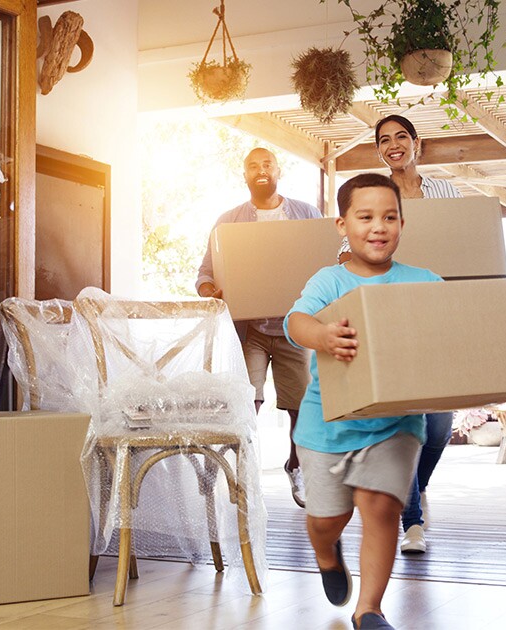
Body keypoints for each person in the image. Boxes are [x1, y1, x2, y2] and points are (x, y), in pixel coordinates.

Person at [285, 173, 442, 630]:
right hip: (327, 424)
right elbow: (297, 321)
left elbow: (450, 324)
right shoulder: (329, 280)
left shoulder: (423, 282)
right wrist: (323, 336)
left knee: (381, 506)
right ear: (342, 225)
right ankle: (326, 553)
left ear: (402, 224)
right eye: (366, 217)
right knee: (327, 519)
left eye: (389, 217)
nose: (379, 227)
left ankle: (368, 610)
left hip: (396, 422)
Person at [338, 114, 462, 554]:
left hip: (433, 313)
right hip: (390, 316)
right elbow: (347, 250)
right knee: (406, 423)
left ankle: (416, 485)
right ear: (379, 150)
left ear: (416, 143)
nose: (394, 145)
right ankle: (412, 523)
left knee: (440, 425)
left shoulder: (445, 192)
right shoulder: (375, 195)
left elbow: (463, 244)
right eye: (384, 140)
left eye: (401, 137)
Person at [196, 147, 320, 508]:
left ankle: (296, 465)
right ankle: (232, 467)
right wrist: (209, 290)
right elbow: (205, 273)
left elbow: (325, 261)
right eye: (253, 165)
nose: (261, 170)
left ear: (278, 171)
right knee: (245, 402)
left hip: (294, 327)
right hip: (251, 331)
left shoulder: (306, 215)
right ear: (245, 175)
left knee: (302, 407)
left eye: (267, 164)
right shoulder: (228, 222)